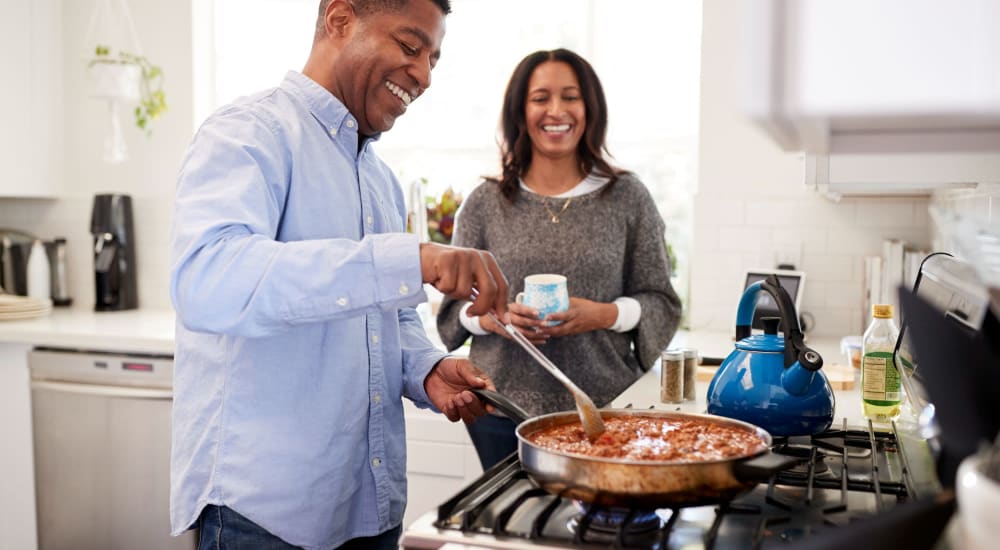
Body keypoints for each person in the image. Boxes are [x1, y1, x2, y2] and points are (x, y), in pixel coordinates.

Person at [168, 1, 510, 549]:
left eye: (433, 59)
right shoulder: (247, 134)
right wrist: (411, 260)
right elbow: (209, 282)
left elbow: (388, 319)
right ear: (340, 19)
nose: (423, 75)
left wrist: (426, 369)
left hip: (369, 506)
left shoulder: (380, 180)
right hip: (265, 519)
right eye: (409, 46)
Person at [436, 48, 683, 470]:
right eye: (540, 98)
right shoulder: (484, 204)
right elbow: (453, 314)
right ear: (520, 111)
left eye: (570, 96)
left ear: (590, 108)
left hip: (604, 409)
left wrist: (602, 314)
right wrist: (499, 319)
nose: (556, 111)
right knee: (513, 527)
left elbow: (661, 301)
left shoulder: (628, 198)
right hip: (501, 411)